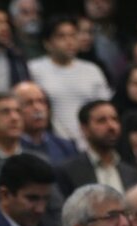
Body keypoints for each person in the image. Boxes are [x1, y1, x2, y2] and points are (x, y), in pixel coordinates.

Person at [28, 14, 111, 149]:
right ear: (47, 43)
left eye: (73, 35)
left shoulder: (92, 70)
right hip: (51, 145)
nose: (69, 41)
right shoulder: (34, 69)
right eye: (61, 36)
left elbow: (103, 109)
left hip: (88, 145)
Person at [54, 100, 137, 198]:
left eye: (115, 119)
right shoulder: (69, 171)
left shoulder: (130, 172)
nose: (111, 126)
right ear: (84, 129)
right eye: (102, 121)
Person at [14, 80, 78, 167]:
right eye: (28, 103)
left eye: (41, 101)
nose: (37, 108)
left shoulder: (66, 146)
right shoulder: (11, 146)